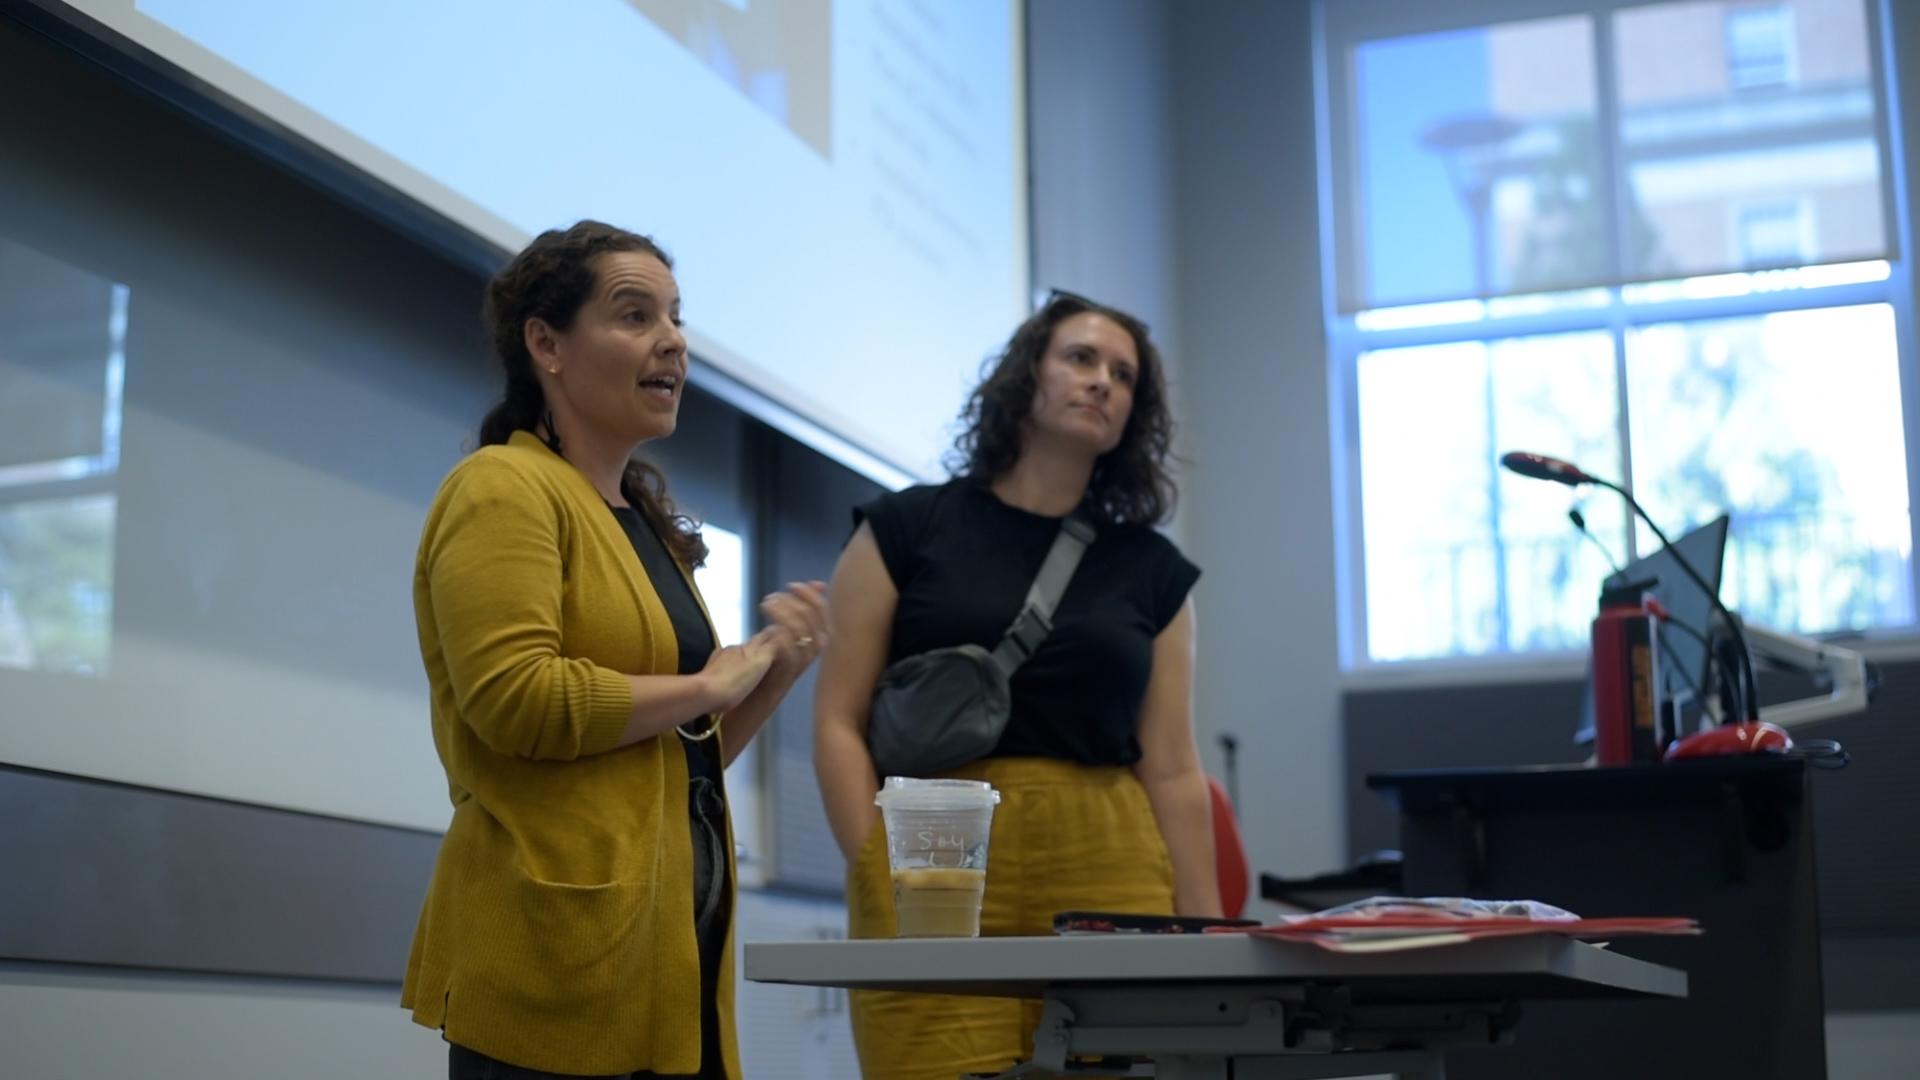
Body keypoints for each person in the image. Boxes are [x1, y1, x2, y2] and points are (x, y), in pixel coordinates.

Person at [401, 220, 829, 1079]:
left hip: (670, 956)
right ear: (547, 344)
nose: (671, 340)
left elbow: (670, 762)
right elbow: (517, 701)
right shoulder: (502, 487)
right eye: (635, 316)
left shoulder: (645, 530)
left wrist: (771, 675)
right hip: (551, 964)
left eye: (676, 318)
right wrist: (711, 685)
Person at [812, 290, 1218, 1080]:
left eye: (1124, 374)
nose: (1103, 381)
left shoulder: (1154, 571)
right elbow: (837, 721)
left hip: (1111, 862)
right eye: (1081, 358)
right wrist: (872, 858)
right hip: (933, 855)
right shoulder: (905, 527)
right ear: (1026, 377)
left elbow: (1172, 767)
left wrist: (1205, 936)